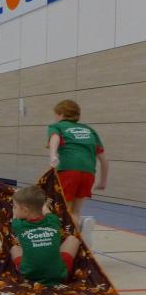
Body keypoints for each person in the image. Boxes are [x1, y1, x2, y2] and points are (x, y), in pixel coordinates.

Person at [47, 99, 108, 248]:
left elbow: (55, 138)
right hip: (88, 173)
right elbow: (104, 160)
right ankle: (80, 228)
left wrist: (53, 154)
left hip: (69, 171)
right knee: (75, 211)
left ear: (61, 114)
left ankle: (67, 243)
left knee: (64, 211)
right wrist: (103, 181)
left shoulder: (57, 126)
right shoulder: (89, 130)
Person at [10, 185, 80, 286]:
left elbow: (15, 217)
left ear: (25, 210)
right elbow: (46, 210)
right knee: (73, 239)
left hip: (30, 275)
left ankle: (37, 263)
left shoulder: (18, 225)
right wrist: (43, 204)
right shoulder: (53, 220)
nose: (13, 209)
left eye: (14, 207)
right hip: (59, 275)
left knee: (15, 248)